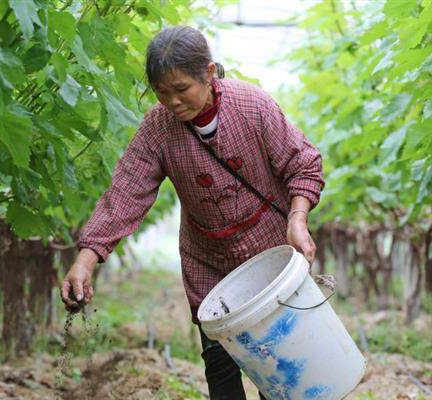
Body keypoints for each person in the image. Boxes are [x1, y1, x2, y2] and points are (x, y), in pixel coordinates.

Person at [61, 26, 324, 399]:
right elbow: (125, 194)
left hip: (270, 256)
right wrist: (86, 261)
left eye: (182, 89)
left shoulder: (252, 106)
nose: (173, 102)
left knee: (280, 361)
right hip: (209, 263)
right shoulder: (157, 128)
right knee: (219, 364)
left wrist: (298, 219)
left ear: (210, 74)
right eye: (162, 93)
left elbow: (303, 165)